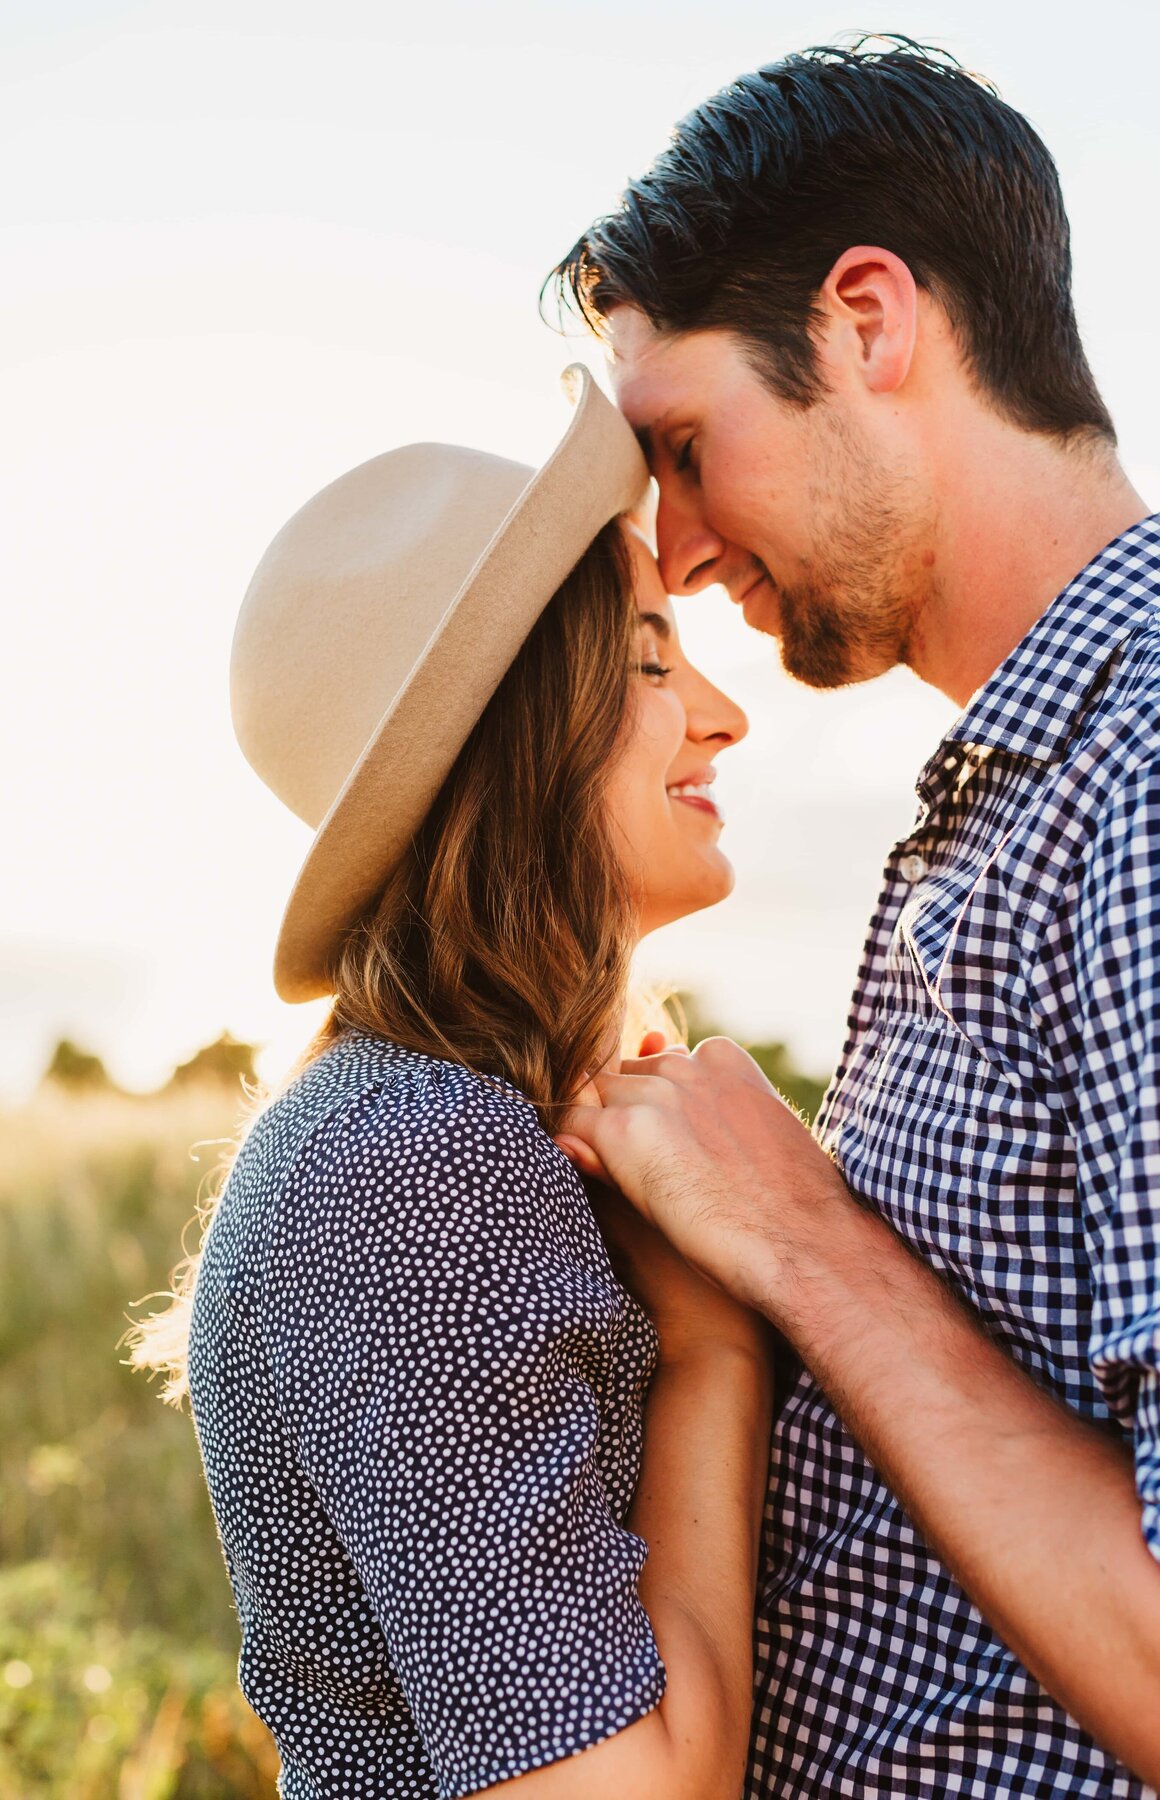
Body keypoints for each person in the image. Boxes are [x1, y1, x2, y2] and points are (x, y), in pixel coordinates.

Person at [547, 37, 1160, 1800]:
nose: (669, 547)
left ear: (866, 319)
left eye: (685, 445)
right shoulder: (1020, 784)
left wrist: (805, 1238)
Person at [127, 367, 773, 1798]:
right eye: (655, 658)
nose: (724, 713)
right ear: (523, 730)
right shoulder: (415, 1165)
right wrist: (720, 1343)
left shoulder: (434, 1132)